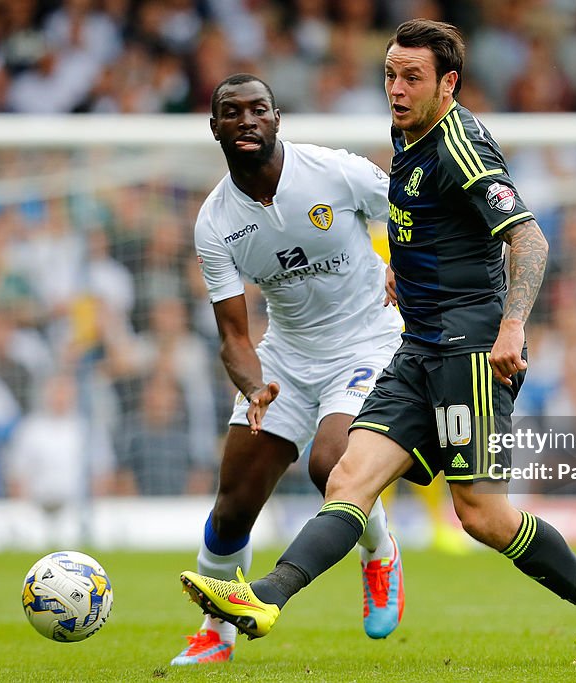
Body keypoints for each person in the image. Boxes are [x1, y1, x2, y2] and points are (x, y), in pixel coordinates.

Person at [181, 21, 576, 666]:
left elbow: (529, 239)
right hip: (418, 345)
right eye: (390, 76)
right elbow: (415, 219)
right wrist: (406, 260)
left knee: (481, 515)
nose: (395, 90)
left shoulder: (462, 147)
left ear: (448, 83)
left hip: (470, 349)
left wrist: (513, 326)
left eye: (412, 78)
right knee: (345, 477)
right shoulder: (407, 137)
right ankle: (264, 597)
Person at [171, 73, 406, 666]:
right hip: (285, 360)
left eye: (258, 110)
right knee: (230, 511)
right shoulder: (214, 222)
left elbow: (410, 206)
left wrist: (403, 260)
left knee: (332, 462)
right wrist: (254, 387)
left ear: (277, 120)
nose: (246, 120)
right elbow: (233, 334)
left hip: (367, 342)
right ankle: (214, 634)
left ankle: (378, 553)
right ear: (215, 127)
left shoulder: (333, 171)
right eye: (232, 111)